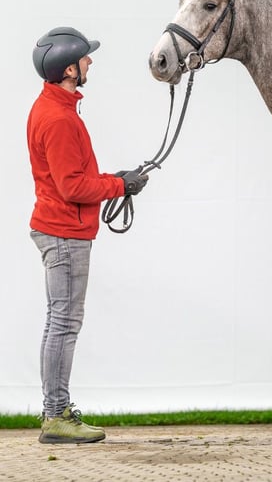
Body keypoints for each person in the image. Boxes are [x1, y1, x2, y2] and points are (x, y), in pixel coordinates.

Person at [28, 26, 148, 444]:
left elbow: (73, 177)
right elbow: (72, 188)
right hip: (64, 235)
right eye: (85, 59)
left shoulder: (55, 108)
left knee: (58, 323)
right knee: (64, 324)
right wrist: (121, 187)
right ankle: (56, 416)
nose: (90, 63)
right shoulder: (58, 118)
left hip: (62, 230)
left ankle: (55, 411)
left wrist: (112, 179)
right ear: (69, 69)